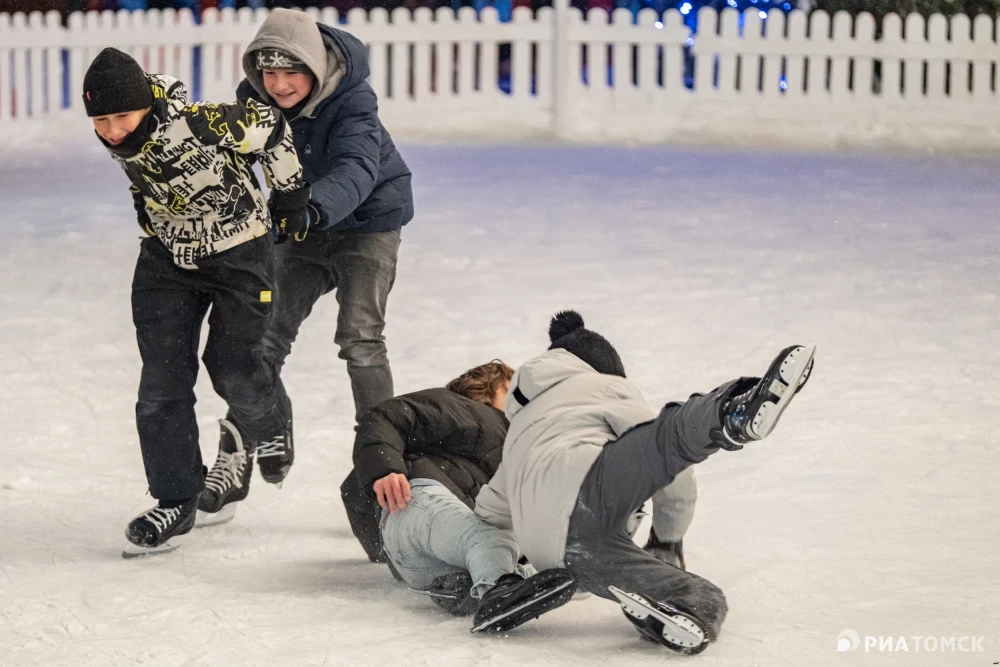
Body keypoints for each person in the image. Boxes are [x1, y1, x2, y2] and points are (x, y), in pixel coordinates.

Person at [475, 311, 816, 654]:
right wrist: (666, 541)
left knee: (693, 592)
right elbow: (671, 471)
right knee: (669, 435)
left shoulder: (516, 436)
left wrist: (496, 571)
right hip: (591, 500)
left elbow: (488, 513)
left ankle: (677, 612)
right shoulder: (604, 385)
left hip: (563, 560)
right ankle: (730, 412)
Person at [83, 47, 310, 556]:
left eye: (122, 117)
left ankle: (269, 419)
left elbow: (271, 127)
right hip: (166, 257)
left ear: (145, 105)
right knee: (160, 381)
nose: (113, 131)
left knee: (231, 366)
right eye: (100, 120)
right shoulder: (120, 132)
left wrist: (290, 195)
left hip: (239, 251)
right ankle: (176, 498)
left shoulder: (204, 123)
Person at [235, 8, 414, 492]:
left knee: (361, 340)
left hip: (367, 223)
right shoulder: (252, 104)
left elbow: (356, 168)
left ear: (314, 67)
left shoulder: (352, 101)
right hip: (302, 224)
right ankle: (262, 434)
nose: (279, 85)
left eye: (290, 72)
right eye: (268, 72)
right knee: (262, 337)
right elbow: (233, 164)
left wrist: (310, 208)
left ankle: (380, 461)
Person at [347, 361, 577, 633]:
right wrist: (385, 469)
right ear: (485, 388)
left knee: (504, 547)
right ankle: (497, 590)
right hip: (416, 504)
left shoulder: (513, 441)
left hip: (424, 562)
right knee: (489, 536)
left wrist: (381, 546)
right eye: (513, 390)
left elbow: (350, 493)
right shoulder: (459, 407)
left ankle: (480, 588)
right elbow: (386, 416)